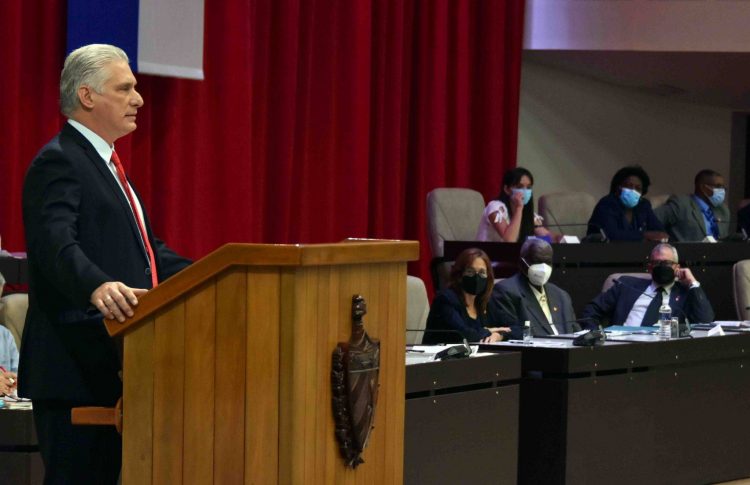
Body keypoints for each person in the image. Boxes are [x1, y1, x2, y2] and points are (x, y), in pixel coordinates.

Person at [20, 44, 192, 484]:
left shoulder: (108, 166)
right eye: (126, 88)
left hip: (121, 364)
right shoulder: (59, 160)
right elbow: (55, 244)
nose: (138, 98)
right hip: (75, 369)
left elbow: (150, 255)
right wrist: (97, 285)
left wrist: (218, 274)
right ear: (88, 96)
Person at [581, 243, 714, 327]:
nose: (662, 267)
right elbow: (592, 309)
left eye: (667, 263)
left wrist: (693, 283)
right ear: (650, 268)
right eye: (657, 263)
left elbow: (705, 321)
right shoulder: (626, 285)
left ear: (677, 267)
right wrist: (597, 334)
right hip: (620, 347)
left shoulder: (685, 293)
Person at [424, 248, 520, 343]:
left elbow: (519, 329)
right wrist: (489, 331)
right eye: (470, 272)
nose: (477, 277)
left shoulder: (487, 303)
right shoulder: (445, 299)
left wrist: (499, 335)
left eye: (482, 273)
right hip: (438, 357)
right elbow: (464, 335)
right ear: (459, 274)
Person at [489, 239, 580, 337]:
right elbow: (512, 334)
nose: (543, 268)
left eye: (547, 262)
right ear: (522, 262)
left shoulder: (561, 296)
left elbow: (576, 332)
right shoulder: (505, 292)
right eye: (537, 261)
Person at [476, 167, 560, 243]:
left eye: (528, 187)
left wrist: (560, 238)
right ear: (507, 189)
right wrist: (519, 209)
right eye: (520, 187)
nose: (525, 191)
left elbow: (546, 235)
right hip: (488, 257)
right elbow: (509, 240)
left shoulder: (529, 215)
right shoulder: (495, 208)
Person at [587, 165, 667, 241]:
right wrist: (644, 235)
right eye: (629, 186)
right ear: (618, 188)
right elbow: (612, 235)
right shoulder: (606, 204)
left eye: (638, 188)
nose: (633, 191)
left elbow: (660, 232)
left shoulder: (643, 205)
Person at [655, 169, 730, 242]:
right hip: (686, 252)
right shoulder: (681, 204)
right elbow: (652, 220)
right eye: (718, 186)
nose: (722, 190)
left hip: (718, 253)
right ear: (703, 187)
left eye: (723, 187)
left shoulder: (723, 210)